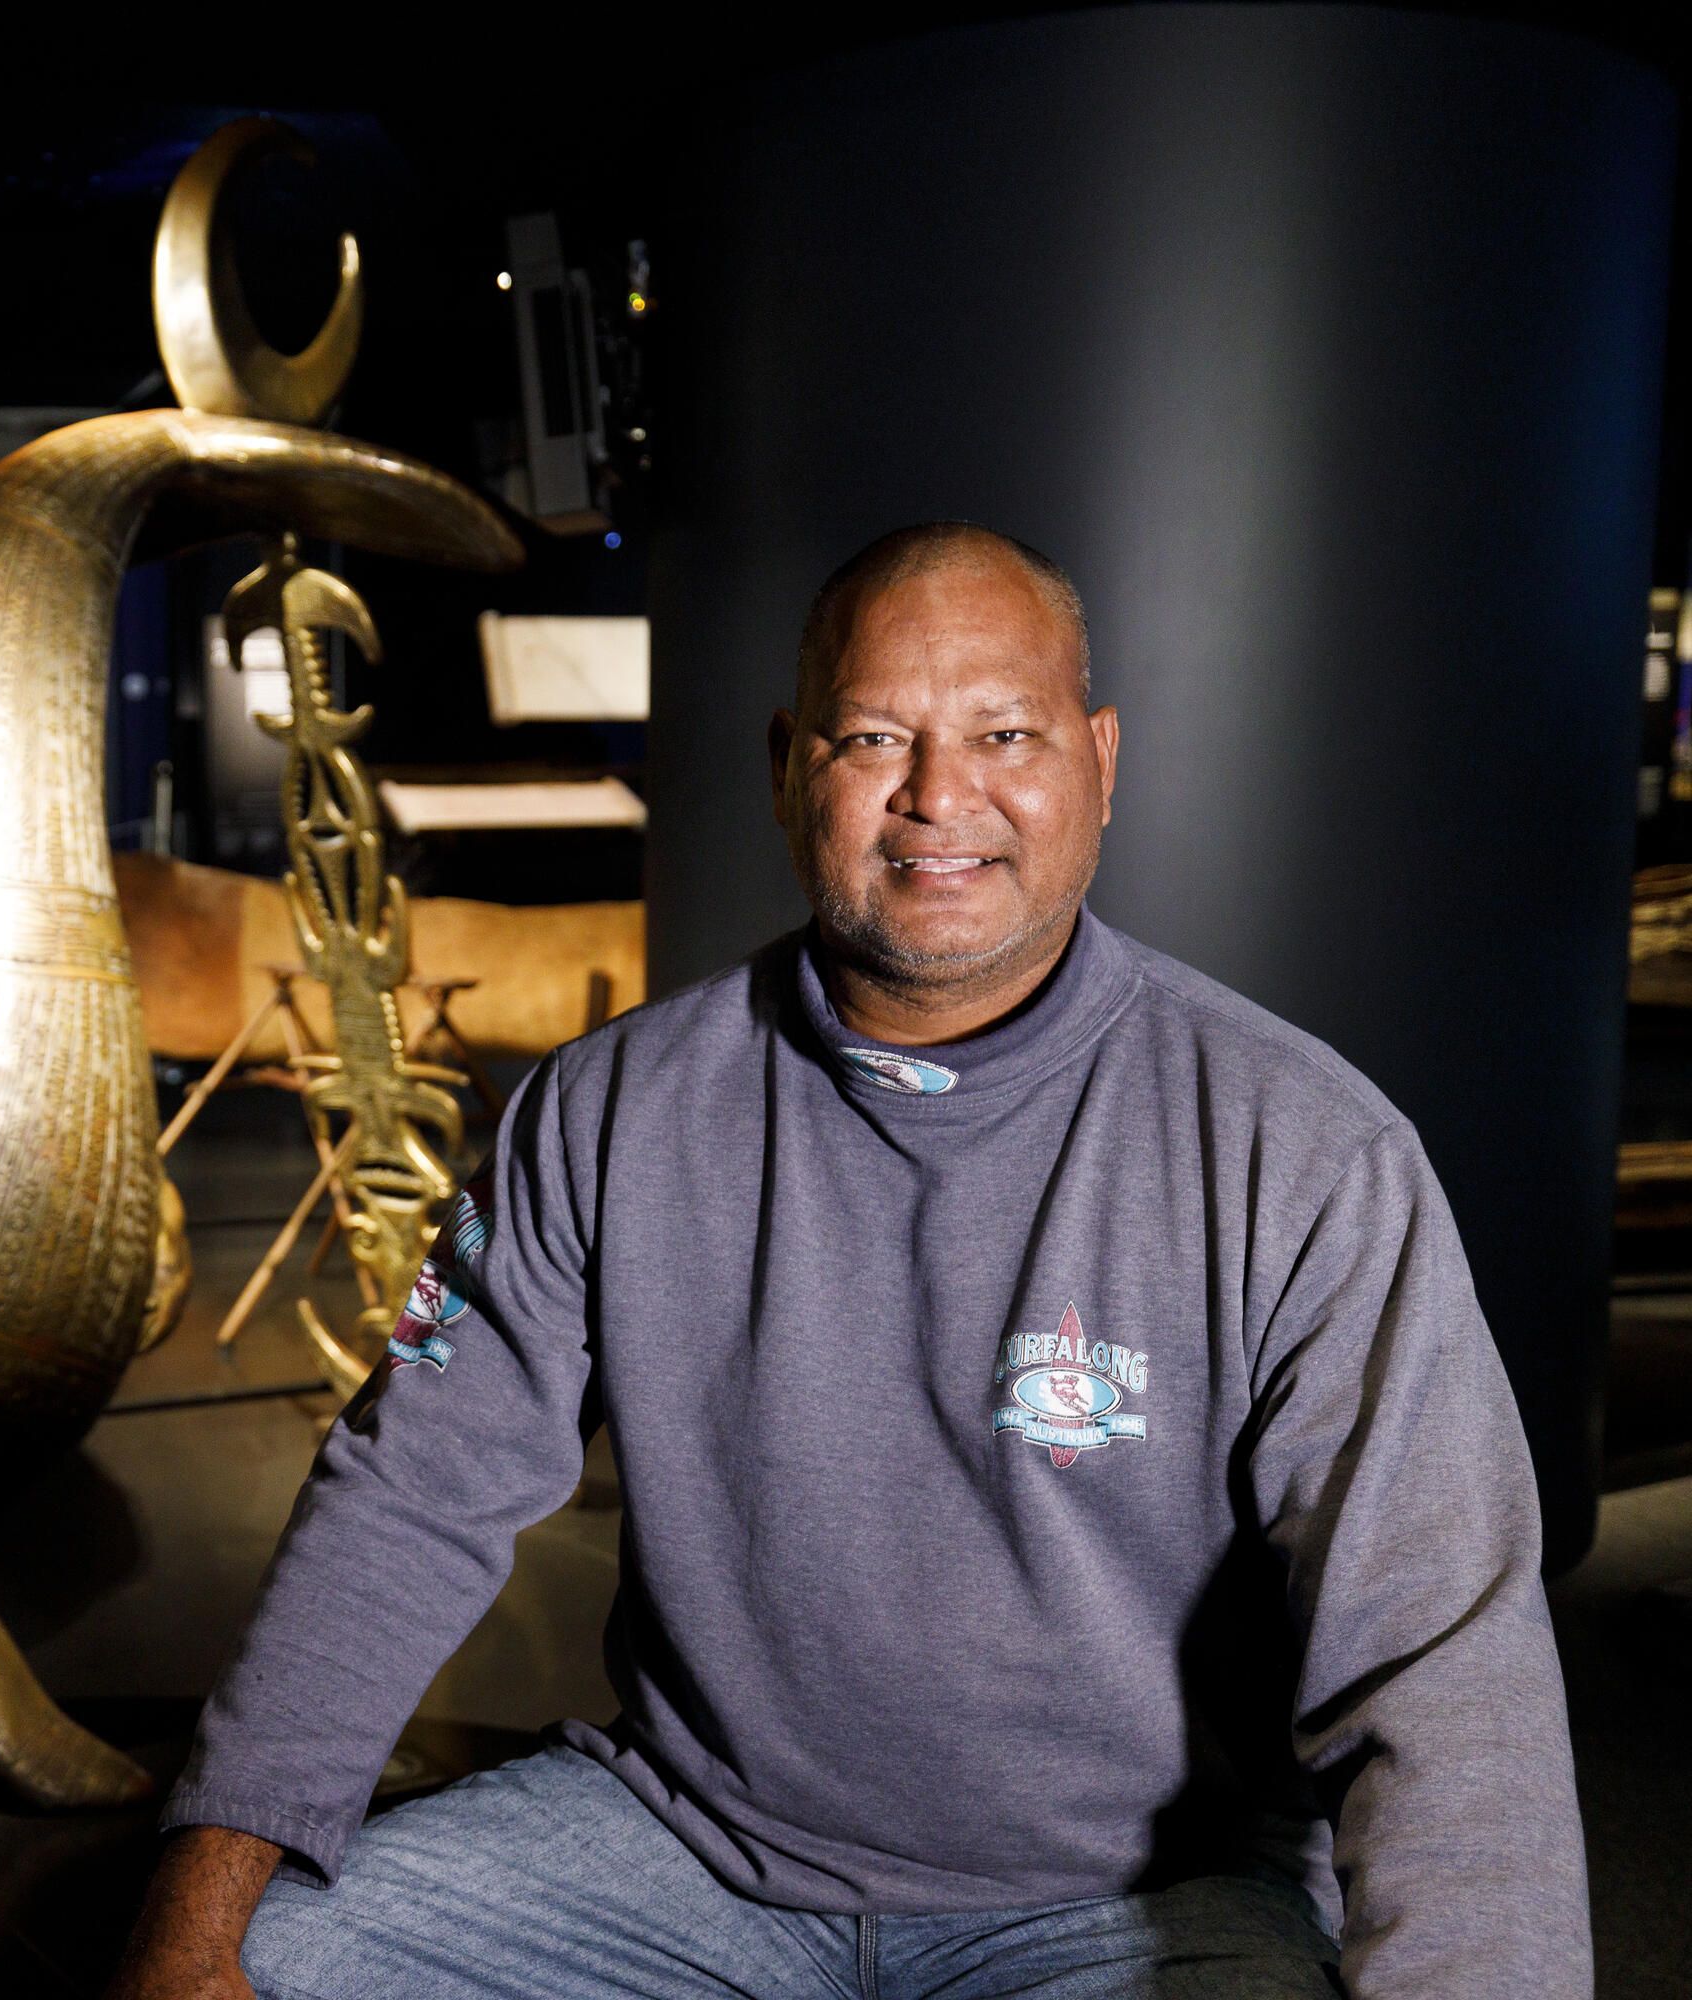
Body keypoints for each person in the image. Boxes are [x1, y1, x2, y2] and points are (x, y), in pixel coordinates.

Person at [106, 524, 1587, 1999]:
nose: (941, 797)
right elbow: (406, 1495)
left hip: (1132, 1902)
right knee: (276, 1967)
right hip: (684, 1862)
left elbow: (1443, 1650)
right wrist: (203, 1904)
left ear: (1103, 762)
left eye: (1005, 732)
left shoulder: (1303, 1147)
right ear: (784, 765)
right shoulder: (608, 1112)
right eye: (875, 735)